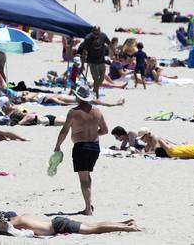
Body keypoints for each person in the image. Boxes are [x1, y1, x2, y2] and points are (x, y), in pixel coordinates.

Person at [54, 84, 108, 216]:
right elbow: (105, 130)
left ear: (78, 97)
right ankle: (89, 204)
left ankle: (88, 209)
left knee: (83, 178)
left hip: (81, 147)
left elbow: (65, 130)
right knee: (87, 175)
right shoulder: (97, 111)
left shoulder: (73, 112)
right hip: (95, 147)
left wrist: (58, 145)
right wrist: (94, 134)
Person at [8, 214, 139, 236]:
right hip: (57, 221)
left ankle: (127, 228)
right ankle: (125, 222)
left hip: (58, 226)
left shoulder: (14, 222)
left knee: (93, 229)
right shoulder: (23, 216)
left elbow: (7, 228)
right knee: (92, 225)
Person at [81, 26, 110, 99]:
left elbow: (109, 43)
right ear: (92, 31)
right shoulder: (88, 39)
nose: (95, 35)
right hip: (92, 61)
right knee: (96, 79)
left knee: (102, 79)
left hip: (101, 60)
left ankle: (94, 90)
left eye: (97, 34)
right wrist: (82, 65)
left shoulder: (103, 36)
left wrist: (114, 51)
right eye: (94, 33)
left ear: (100, 32)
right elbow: (84, 52)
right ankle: (96, 95)